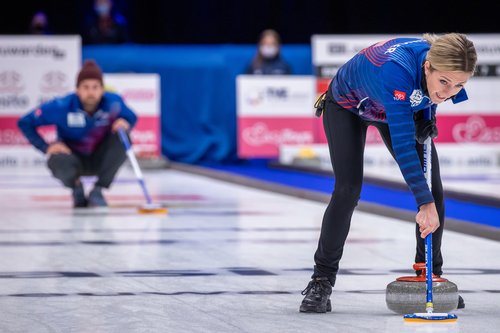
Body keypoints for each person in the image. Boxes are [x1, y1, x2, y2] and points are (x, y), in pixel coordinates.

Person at [299, 33, 477, 313]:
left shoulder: (441, 72)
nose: (448, 92)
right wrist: (424, 203)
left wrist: (428, 116)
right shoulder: (397, 70)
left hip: (394, 103)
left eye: (459, 85)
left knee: (433, 187)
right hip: (348, 105)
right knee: (348, 190)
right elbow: (404, 145)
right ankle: (321, 280)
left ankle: (429, 274)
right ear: (427, 66)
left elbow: (431, 94)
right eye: (444, 82)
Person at [17, 59, 137, 208]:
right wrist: (45, 147)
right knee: (56, 159)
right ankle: (76, 188)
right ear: (77, 89)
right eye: (85, 87)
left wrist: (125, 122)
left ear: (102, 89)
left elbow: (132, 116)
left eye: (95, 87)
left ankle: (98, 190)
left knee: (123, 136)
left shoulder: (114, 103)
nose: (91, 92)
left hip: (101, 158)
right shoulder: (61, 106)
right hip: (73, 158)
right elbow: (25, 122)